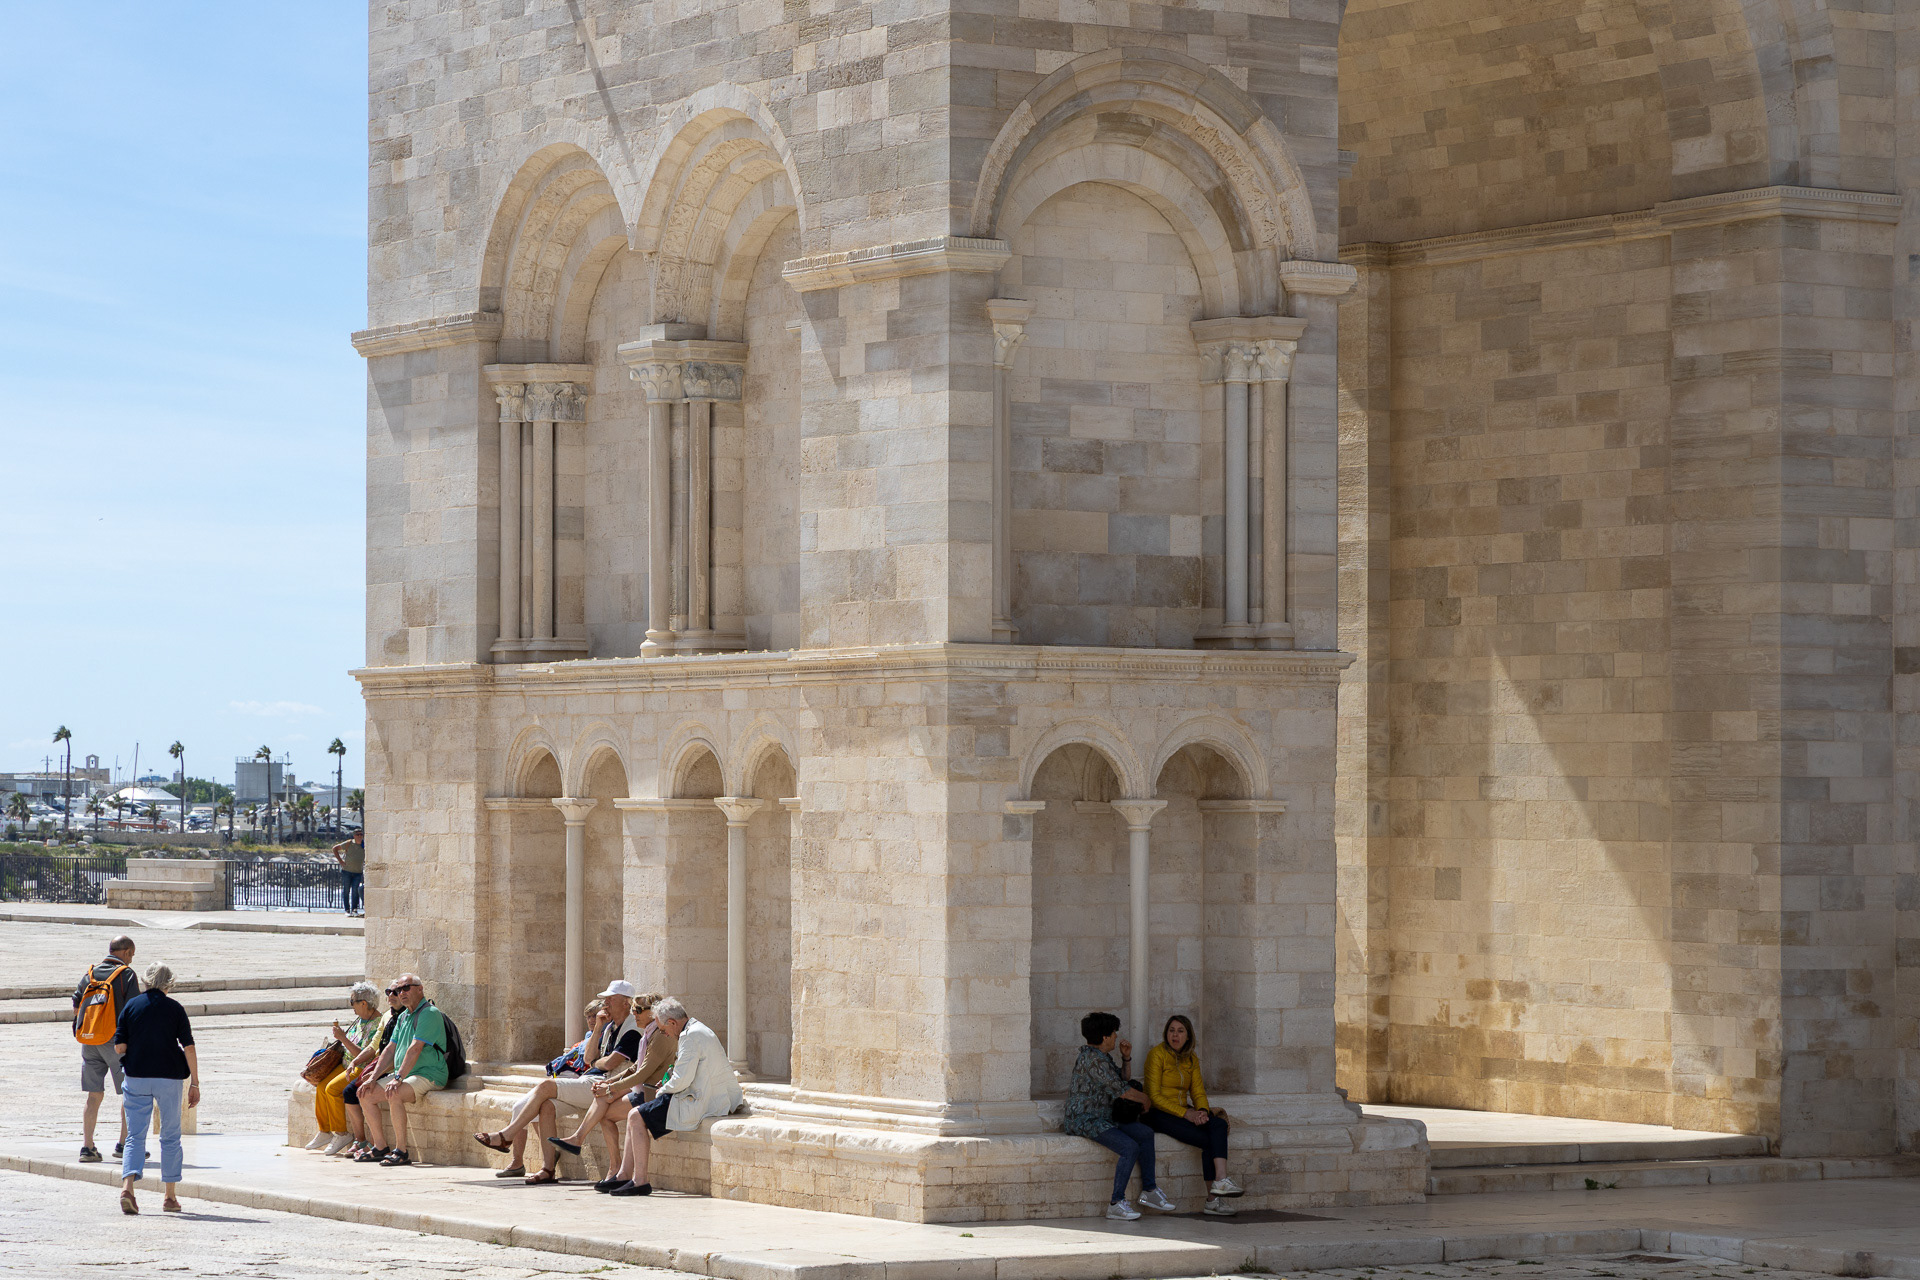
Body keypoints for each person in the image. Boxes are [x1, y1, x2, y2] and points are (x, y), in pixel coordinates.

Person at [473, 981, 641, 1183]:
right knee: (546, 1106)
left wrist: (597, 1061)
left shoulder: (632, 1030)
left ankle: (506, 1135)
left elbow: (611, 1062)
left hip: (605, 1086)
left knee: (546, 1086)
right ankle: (548, 1169)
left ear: (625, 1003)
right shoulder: (609, 1028)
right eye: (605, 999)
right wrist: (598, 1028)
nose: (605, 1004)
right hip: (592, 1080)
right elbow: (588, 1059)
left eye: (611, 999)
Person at [599, 997, 742, 1196]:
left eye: (665, 1031)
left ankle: (639, 1181)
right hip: (708, 1095)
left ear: (673, 1023)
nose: (666, 1035)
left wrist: (661, 1091)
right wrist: (667, 1086)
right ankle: (625, 1175)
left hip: (702, 1100)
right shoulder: (698, 1029)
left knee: (635, 1116)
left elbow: (682, 1080)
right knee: (636, 1114)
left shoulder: (689, 1037)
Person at [1064, 1011, 1174, 1221]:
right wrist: (1145, 1099)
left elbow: (1122, 1078)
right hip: (1086, 1120)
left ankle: (1149, 1190)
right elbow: (1121, 1089)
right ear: (1105, 1037)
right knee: (1129, 1147)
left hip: (1105, 1117)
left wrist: (1126, 1057)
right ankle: (1116, 1203)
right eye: (1114, 1033)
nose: (1116, 1037)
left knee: (1144, 1133)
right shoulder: (1091, 1060)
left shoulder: (1101, 1057)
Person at [114, 963, 199, 1215]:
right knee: (171, 1136)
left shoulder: (131, 1006)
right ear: (168, 983)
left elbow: (119, 1047)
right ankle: (170, 1197)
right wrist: (195, 1082)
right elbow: (189, 1047)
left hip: (137, 1076)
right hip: (169, 1078)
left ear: (145, 981)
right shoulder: (175, 1009)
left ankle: (128, 1188)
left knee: (134, 1135)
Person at [548, 990, 675, 1157]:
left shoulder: (659, 1036)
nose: (634, 1014)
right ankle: (612, 1167)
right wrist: (608, 1084)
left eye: (638, 1010)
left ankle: (592, 1150)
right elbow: (633, 1068)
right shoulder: (648, 1034)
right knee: (604, 1106)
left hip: (650, 1092)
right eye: (633, 1010)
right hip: (642, 1088)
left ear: (653, 1013)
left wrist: (610, 1087)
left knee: (606, 1110)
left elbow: (641, 1073)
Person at [1143, 1014, 1242, 1216]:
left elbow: (1198, 1091)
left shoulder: (1191, 1058)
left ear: (1188, 1036)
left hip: (1183, 1111)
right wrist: (1186, 1113)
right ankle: (1213, 1201)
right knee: (1207, 1140)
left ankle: (1221, 1179)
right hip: (1158, 1113)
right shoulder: (1157, 1054)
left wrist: (1203, 1113)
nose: (1175, 1035)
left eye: (1180, 1031)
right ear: (1166, 1033)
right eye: (1171, 1030)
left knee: (1218, 1125)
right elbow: (1154, 1096)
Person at [356, 973, 450, 1167]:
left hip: (429, 1074)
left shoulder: (429, 1013)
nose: (401, 993)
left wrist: (398, 1077)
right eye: (398, 989)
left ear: (420, 989)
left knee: (394, 1092)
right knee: (365, 1093)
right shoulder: (404, 1016)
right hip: (408, 1075)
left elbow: (415, 1048)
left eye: (406, 988)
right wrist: (372, 1078)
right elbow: (390, 1049)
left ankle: (401, 1151)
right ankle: (380, 1147)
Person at [73, 934, 139, 1163]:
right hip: (115, 1041)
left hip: (89, 1040)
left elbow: (76, 1003)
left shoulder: (89, 973)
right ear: (126, 952)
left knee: (94, 1095)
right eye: (131, 954)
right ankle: (123, 1145)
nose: (131, 959)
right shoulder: (126, 975)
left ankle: (87, 1147)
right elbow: (133, 1010)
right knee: (129, 1092)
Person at [305, 981, 382, 1156]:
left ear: (364, 1003)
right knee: (322, 1086)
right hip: (346, 1064)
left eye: (353, 1001)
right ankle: (324, 1131)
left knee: (332, 1089)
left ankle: (341, 1133)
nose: (351, 1006)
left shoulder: (377, 1024)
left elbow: (365, 1054)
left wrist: (343, 1038)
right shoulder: (360, 1019)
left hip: (360, 1067)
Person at [339, 981, 406, 1160]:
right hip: (380, 1064)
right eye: (388, 992)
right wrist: (357, 1061)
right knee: (354, 1091)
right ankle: (376, 1144)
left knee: (360, 1091)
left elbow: (401, 1051)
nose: (391, 995)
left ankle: (375, 1144)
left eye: (396, 992)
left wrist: (376, 1073)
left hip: (394, 1067)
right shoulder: (387, 1016)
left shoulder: (407, 1017)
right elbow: (375, 1044)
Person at [330, 829, 365, 916]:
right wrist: (340, 861)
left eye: (361, 834)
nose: (360, 836)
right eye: (358, 834)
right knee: (346, 891)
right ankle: (347, 910)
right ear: (354, 836)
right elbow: (335, 849)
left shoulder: (364, 845)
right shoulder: (349, 843)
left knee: (355, 891)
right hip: (347, 871)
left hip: (358, 872)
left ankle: (354, 909)